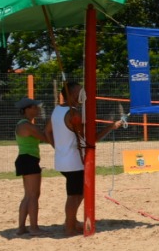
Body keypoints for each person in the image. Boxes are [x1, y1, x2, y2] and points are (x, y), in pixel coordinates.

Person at [44, 81, 123, 237]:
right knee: (74, 196)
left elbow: (47, 132)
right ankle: (69, 227)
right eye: (80, 91)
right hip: (73, 162)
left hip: (63, 160)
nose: (83, 94)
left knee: (78, 193)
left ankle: (71, 222)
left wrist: (58, 148)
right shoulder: (73, 114)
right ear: (73, 94)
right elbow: (90, 140)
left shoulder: (57, 110)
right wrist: (111, 127)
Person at [14, 97, 47, 236]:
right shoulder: (26, 125)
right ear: (27, 109)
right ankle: (33, 227)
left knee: (28, 195)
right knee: (33, 195)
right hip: (29, 159)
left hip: (25, 159)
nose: (38, 109)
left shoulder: (24, 124)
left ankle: (21, 227)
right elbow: (45, 136)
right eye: (34, 107)